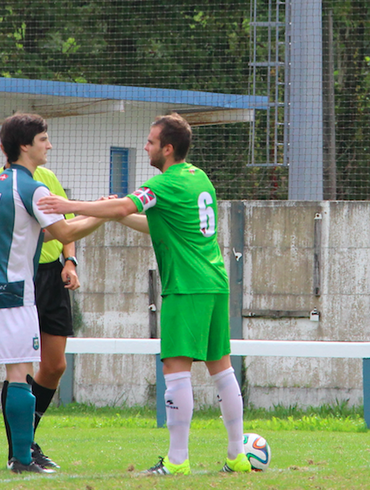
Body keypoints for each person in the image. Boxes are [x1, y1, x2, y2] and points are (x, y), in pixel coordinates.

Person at [38, 113, 252, 475]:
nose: (146, 146)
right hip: (215, 282)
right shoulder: (198, 177)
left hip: (186, 287)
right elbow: (149, 221)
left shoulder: (165, 183)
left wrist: (69, 206)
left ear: (167, 149)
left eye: (151, 142)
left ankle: (177, 460)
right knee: (221, 368)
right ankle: (237, 456)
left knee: (176, 370)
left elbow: (125, 204)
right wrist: (115, 215)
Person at [0, 113, 104, 475]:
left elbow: (43, 234)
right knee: (19, 371)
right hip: (13, 291)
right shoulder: (32, 187)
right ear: (25, 145)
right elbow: (64, 228)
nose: (49, 145)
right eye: (43, 140)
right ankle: (21, 457)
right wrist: (102, 214)